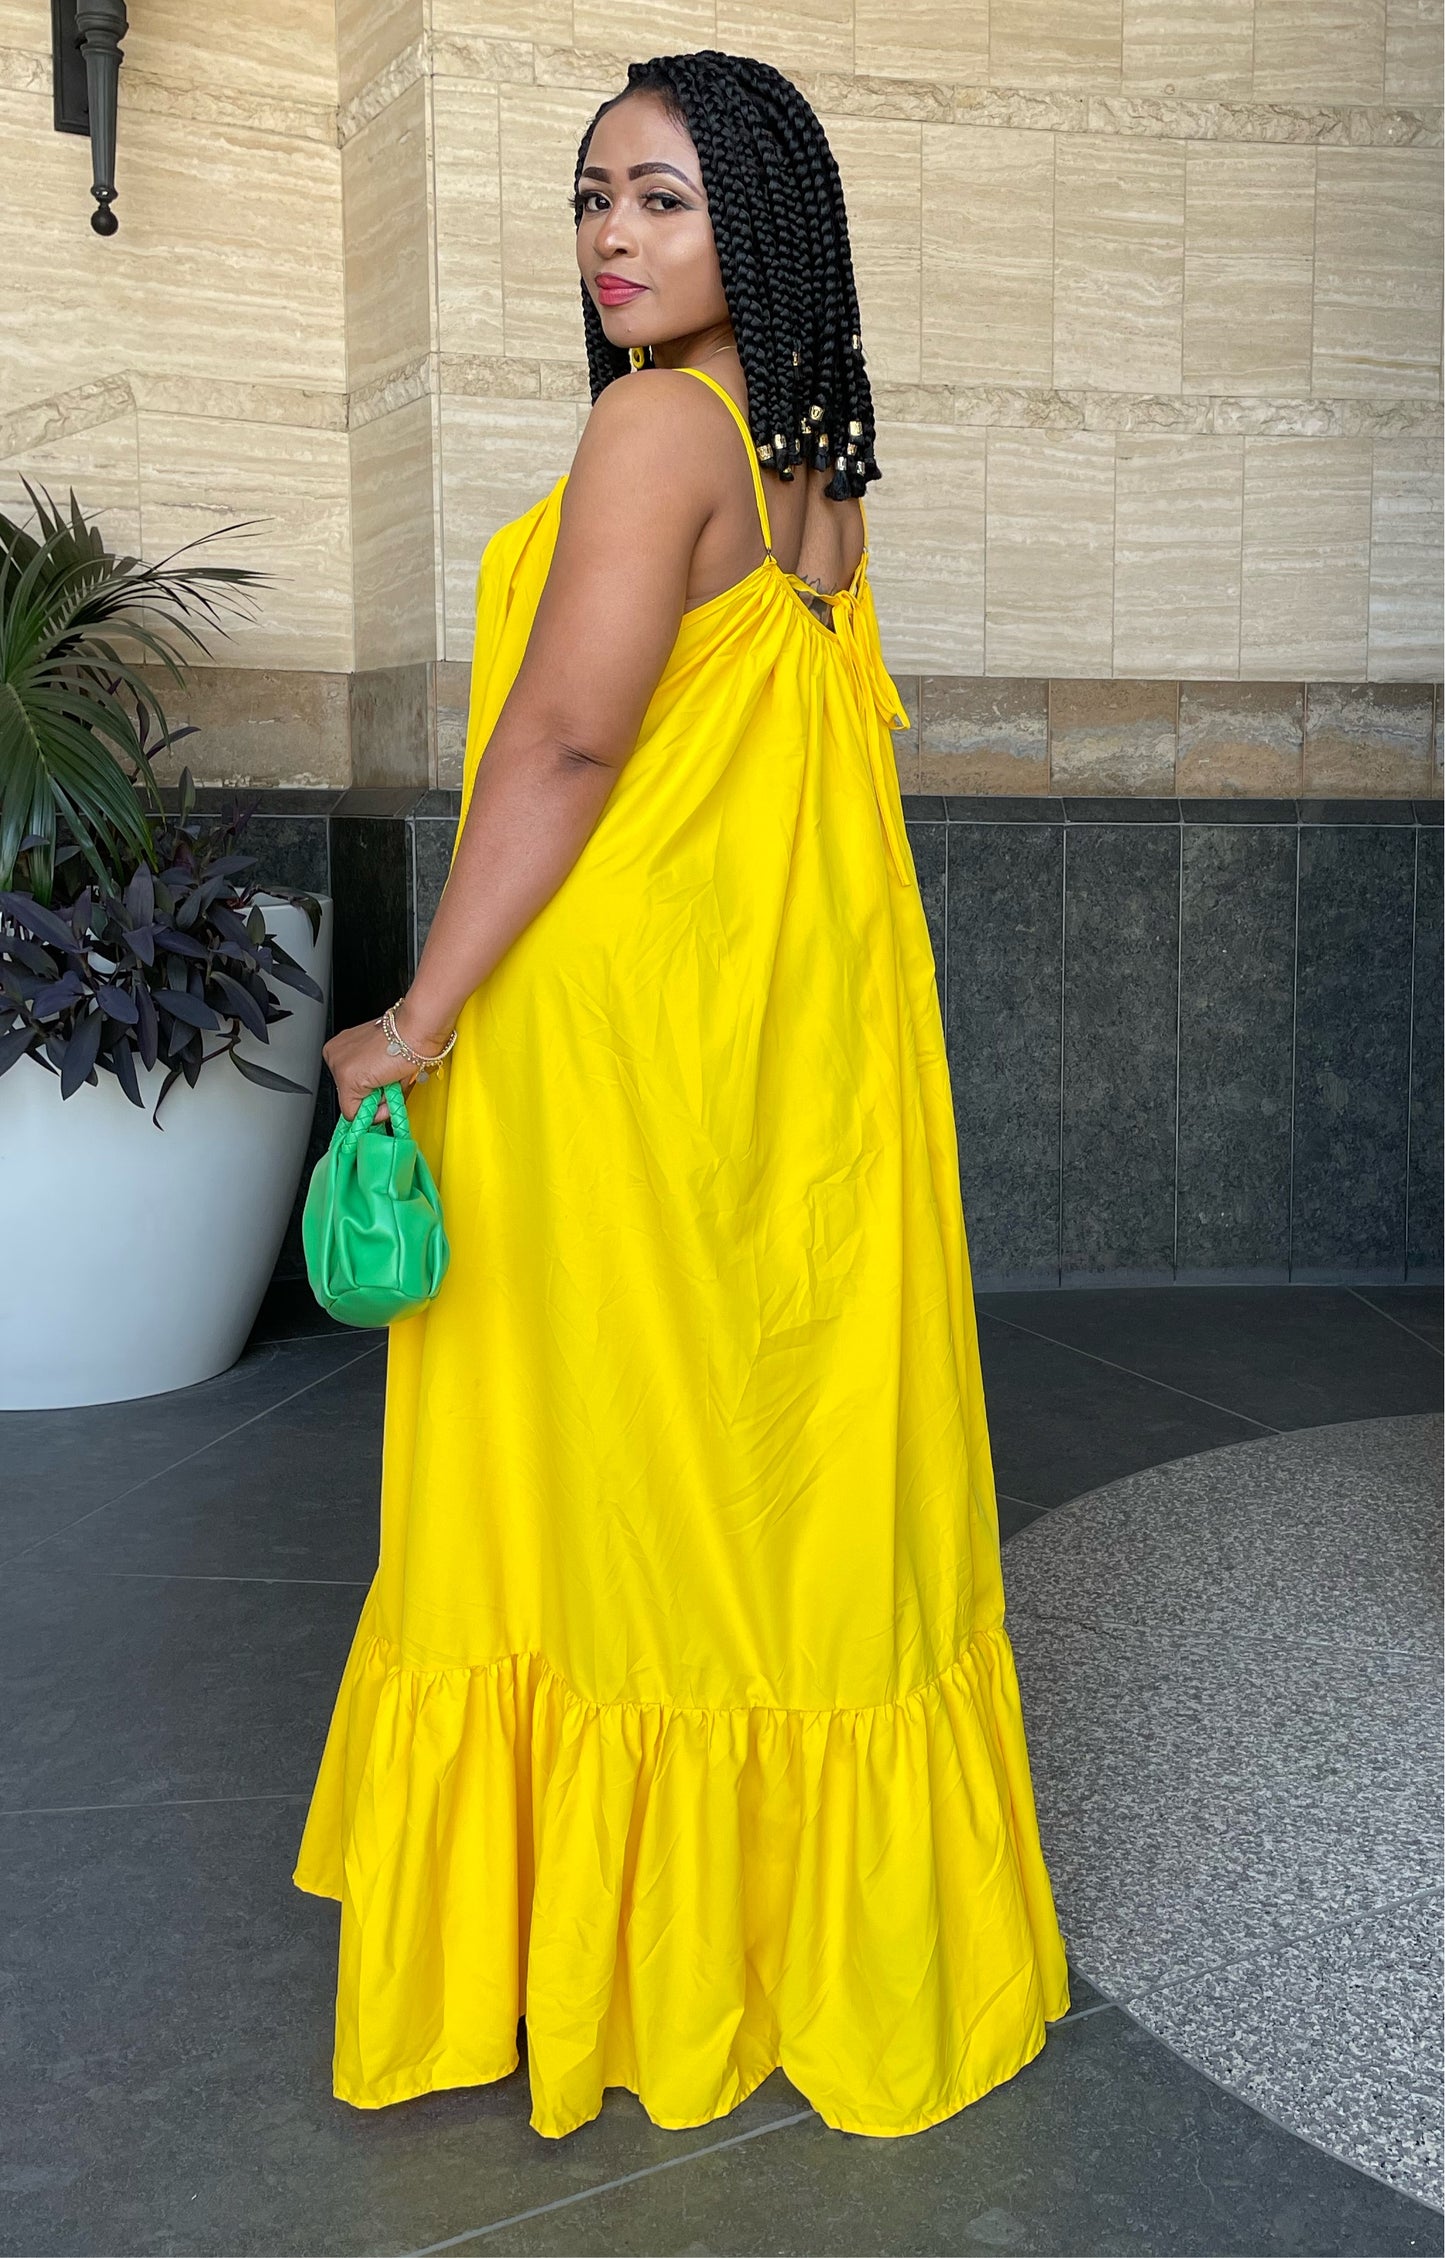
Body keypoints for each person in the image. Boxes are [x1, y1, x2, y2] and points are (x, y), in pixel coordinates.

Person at [293, 47, 1070, 2142]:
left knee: (604, 1475)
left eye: (660, 197)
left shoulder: (654, 431)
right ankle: (784, 1930)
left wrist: (414, 1019)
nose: (611, 237)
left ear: (762, 226)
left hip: (615, 1042)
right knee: (751, 1463)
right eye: (590, 196)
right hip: (776, 1047)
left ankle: (621, 1947)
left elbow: (565, 744)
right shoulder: (810, 463)